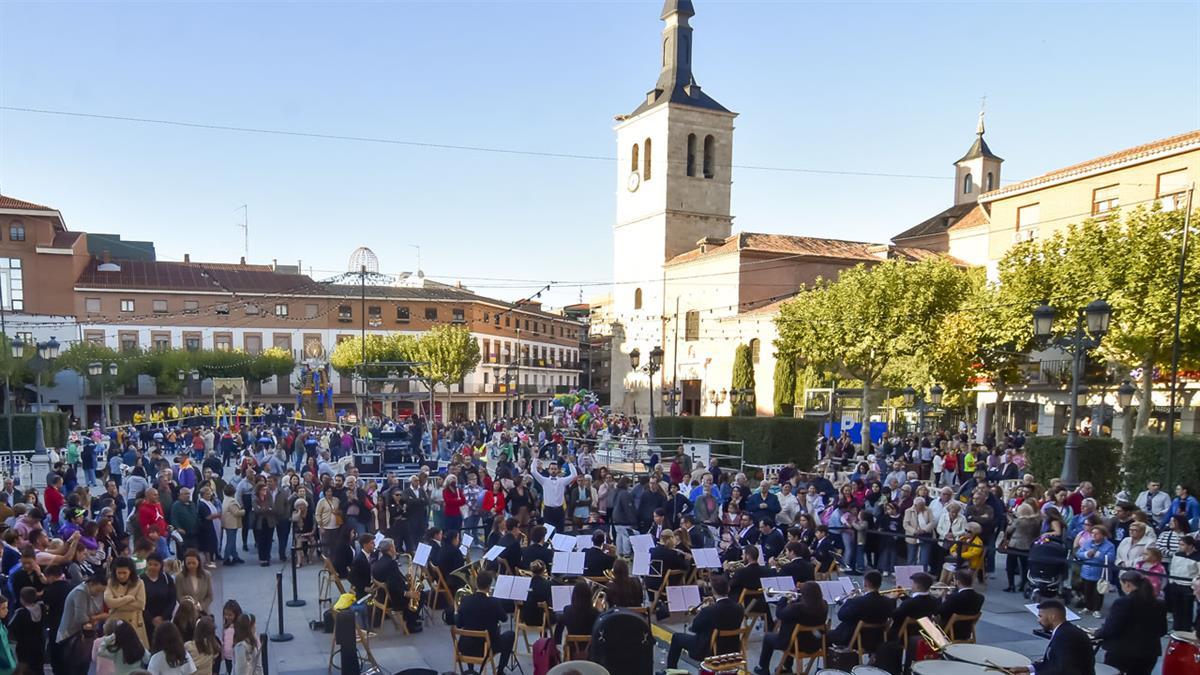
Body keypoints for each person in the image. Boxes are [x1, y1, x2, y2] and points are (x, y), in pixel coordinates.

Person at [1093, 571, 1168, 675]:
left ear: (1127, 584)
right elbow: (1162, 630)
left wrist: (1097, 633)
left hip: (1122, 653)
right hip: (1149, 653)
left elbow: (1112, 628)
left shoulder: (1123, 603)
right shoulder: (1160, 603)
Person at [664, 574, 744, 670]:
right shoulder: (739, 608)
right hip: (732, 649)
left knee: (676, 637)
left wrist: (702, 611)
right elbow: (724, 616)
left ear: (713, 591)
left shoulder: (709, 610)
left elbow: (695, 628)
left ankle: (671, 670)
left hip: (709, 650)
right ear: (728, 588)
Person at [755, 580, 826, 675]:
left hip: (793, 644)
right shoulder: (824, 605)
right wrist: (795, 600)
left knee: (768, 637)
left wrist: (783, 598)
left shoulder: (797, 608)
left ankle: (763, 668)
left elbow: (780, 614)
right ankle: (786, 667)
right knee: (795, 635)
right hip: (814, 644)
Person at [1010, 599, 1095, 675]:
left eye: (1040, 616)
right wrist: (1028, 668)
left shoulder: (1066, 636)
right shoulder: (1064, 631)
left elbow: (1064, 670)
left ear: (1052, 617)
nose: (1038, 620)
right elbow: (1052, 662)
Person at [455, 571, 516, 672]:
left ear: (476, 583)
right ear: (489, 585)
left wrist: (456, 612)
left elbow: (458, 624)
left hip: (465, 647)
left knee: (471, 630)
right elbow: (504, 618)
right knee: (510, 635)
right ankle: (500, 670)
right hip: (486, 648)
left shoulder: (465, 600)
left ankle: (471, 669)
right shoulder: (494, 602)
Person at [828, 570, 895, 651]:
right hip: (878, 639)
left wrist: (849, 600)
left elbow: (841, 615)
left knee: (826, 635)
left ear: (866, 583)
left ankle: (833, 660)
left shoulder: (858, 602)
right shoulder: (888, 602)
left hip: (856, 640)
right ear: (880, 584)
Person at [106, 556, 150, 648]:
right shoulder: (110, 582)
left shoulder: (139, 583)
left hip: (134, 623)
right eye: (119, 573)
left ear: (131, 572)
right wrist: (128, 598)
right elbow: (109, 602)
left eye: (124, 573)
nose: (121, 576)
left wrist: (117, 603)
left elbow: (141, 605)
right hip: (116, 623)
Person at [1075, 525, 1116, 618]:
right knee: (1087, 591)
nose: (1094, 535)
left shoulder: (1109, 545)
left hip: (1100, 573)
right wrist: (1086, 554)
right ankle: (1087, 607)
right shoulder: (1087, 542)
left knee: (1098, 592)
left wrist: (1098, 555)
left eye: (1096, 533)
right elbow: (1078, 553)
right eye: (1092, 533)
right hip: (1086, 572)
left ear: (1103, 535)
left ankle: (1097, 609)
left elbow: (1111, 558)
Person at [887, 571, 939, 641]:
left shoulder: (909, 603)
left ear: (917, 586)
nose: (911, 585)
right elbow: (919, 603)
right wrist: (904, 596)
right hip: (922, 633)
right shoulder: (934, 600)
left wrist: (892, 600)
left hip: (904, 634)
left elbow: (893, 616)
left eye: (913, 583)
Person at [553, 580, 599, 657]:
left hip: (572, 649)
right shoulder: (595, 612)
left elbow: (559, 629)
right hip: (590, 651)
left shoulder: (567, 610)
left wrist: (556, 644)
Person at [937, 569, 985, 641]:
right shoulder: (980, 597)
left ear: (958, 582)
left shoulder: (954, 597)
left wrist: (943, 598)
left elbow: (940, 611)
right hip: (967, 631)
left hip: (951, 630)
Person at [530, 459, 577, 532]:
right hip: (548, 510)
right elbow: (533, 471)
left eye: (555, 469)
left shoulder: (562, 481)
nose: (553, 471)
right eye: (551, 469)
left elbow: (574, 475)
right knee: (548, 532)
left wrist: (570, 463)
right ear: (548, 470)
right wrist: (535, 459)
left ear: (558, 470)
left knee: (560, 531)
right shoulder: (544, 480)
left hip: (560, 510)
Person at [1166, 535, 1200, 632]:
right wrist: (1171, 581)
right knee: (1176, 608)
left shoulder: (1197, 557)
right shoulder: (1177, 554)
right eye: (1179, 544)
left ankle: (1186, 629)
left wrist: (1194, 584)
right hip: (1175, 584)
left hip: (1188, 586)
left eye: (1182, 545)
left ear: (1190, 546)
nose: (1180, 547)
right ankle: (1176, 628)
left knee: (1186, 609)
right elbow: (1172, 568)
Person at [142, 553, 178, 644]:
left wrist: (163, 617)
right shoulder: (141, 580)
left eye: (155, 565)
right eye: (150, 564)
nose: (152, 567)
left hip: (165, 620)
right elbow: (140, 602)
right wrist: (151, 619)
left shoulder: (167, 578)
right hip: (146, 621)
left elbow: (172, 599)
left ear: (161, 565)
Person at [176, 549, 214, 614]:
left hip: (203, 612)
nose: (191, 565)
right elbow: (179, 596)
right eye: (189, 563)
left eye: (194, 563)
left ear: (198, 562)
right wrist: (190, 607)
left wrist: (201, 606)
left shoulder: (207, 575)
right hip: (187, 613)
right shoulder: (180, 577)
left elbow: (210, 596)